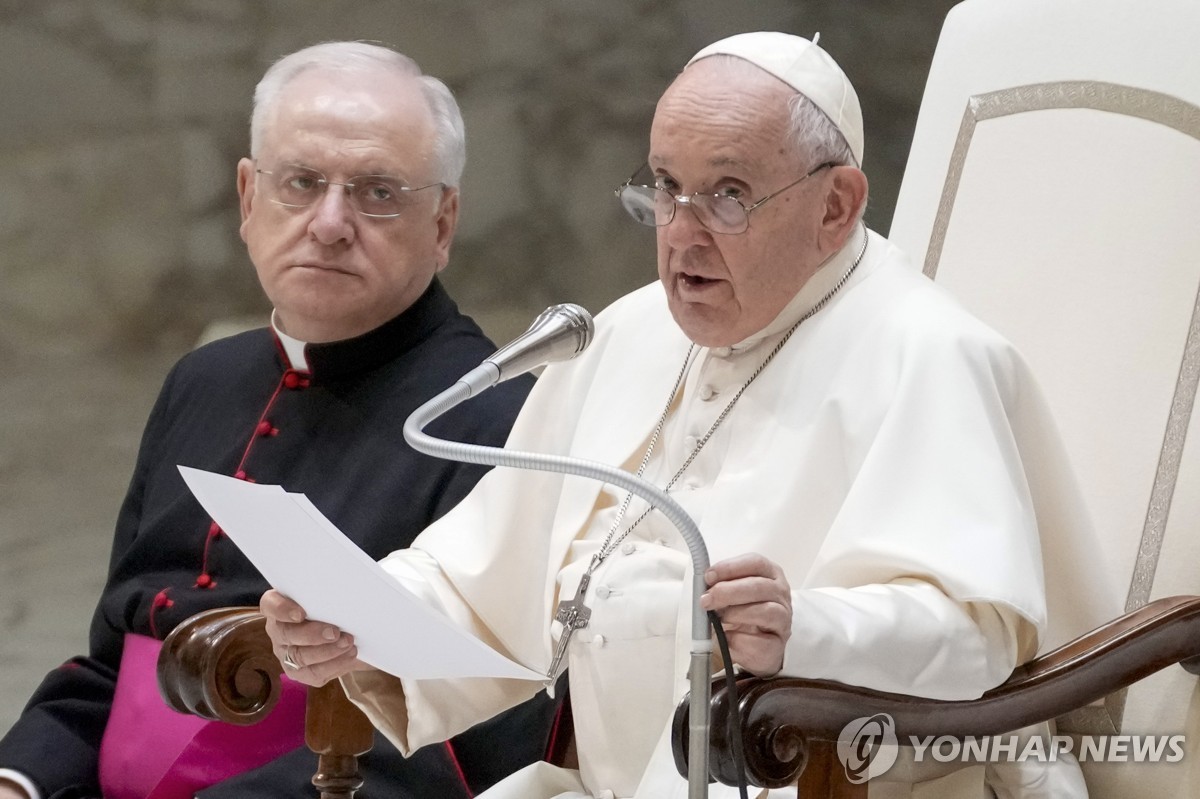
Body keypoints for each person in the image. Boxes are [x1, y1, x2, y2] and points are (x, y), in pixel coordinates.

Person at [261, 32, 1113, 798]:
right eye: (665, 188)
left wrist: (807, 629)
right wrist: (362, 618)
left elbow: (978, 635)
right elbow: (486, 574)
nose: (681, 232)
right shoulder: (627, 333)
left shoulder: (932, 354)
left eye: (729, 196)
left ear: (837, 205)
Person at [0, 41, 560, 799]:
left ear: (443, 221)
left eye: (377, 192)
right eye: (301, 182)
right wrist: (24, 775)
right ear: (247, 198)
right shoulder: (204, 378)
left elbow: (461, 740)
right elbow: (111, 660)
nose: (330, 223)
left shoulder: (493, 418)